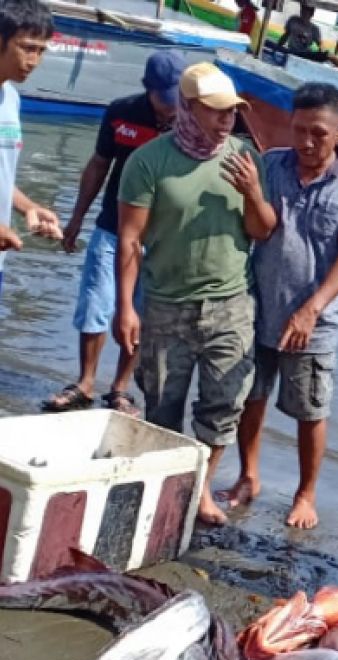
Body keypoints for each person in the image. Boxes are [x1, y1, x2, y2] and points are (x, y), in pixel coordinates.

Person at [115, 63, 277, 526]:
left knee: (224, 402)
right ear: (187, 107)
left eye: (233, 112)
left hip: (231, 302)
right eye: (216, 111)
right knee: (163, 404)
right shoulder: (148, 162)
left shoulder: (246, 156)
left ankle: (201, 488)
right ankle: (165, 488)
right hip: (166, 302)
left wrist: (251, 191)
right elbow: (130, 240)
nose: (227, 121)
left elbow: (262, 230)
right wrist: (126, 306)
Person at [223, 83, 338, 530]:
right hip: (258, 306)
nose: (307, 143)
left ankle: (306, 494)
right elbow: (257, 230)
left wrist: (312, 308)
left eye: (319, 134)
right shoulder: (270, 165)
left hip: (314, 322)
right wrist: (252, 192)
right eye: (299, 130)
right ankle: (249, 476)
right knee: (250, 396)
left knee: (310, 410)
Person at [43, 52, 186, 417]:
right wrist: (76, 217)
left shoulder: (193, 121)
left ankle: (120, 388)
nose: (172, 108)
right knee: (95, 304)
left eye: (178, 98)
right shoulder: (121, 112)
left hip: (162, 238)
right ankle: (85, 382)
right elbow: (99, 165)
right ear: (148, 90)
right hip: (112, 227)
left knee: (141, 312)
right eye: (165, 98)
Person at [0, 0, 60, 293]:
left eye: (41, 50)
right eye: (27, 47)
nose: (35, 61)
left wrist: (29, 208)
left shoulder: (11, 98)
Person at [279, 2, 338, 69]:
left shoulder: (314, 29)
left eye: (307, 12)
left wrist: (321, 52)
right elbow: (285, 35)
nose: (304, 13)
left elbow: (320, 44)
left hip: (305, 54)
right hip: (292, 51)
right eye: (303, 10)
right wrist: (278, 46)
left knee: (329, 54)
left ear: (312, 14)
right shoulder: (293, 20)